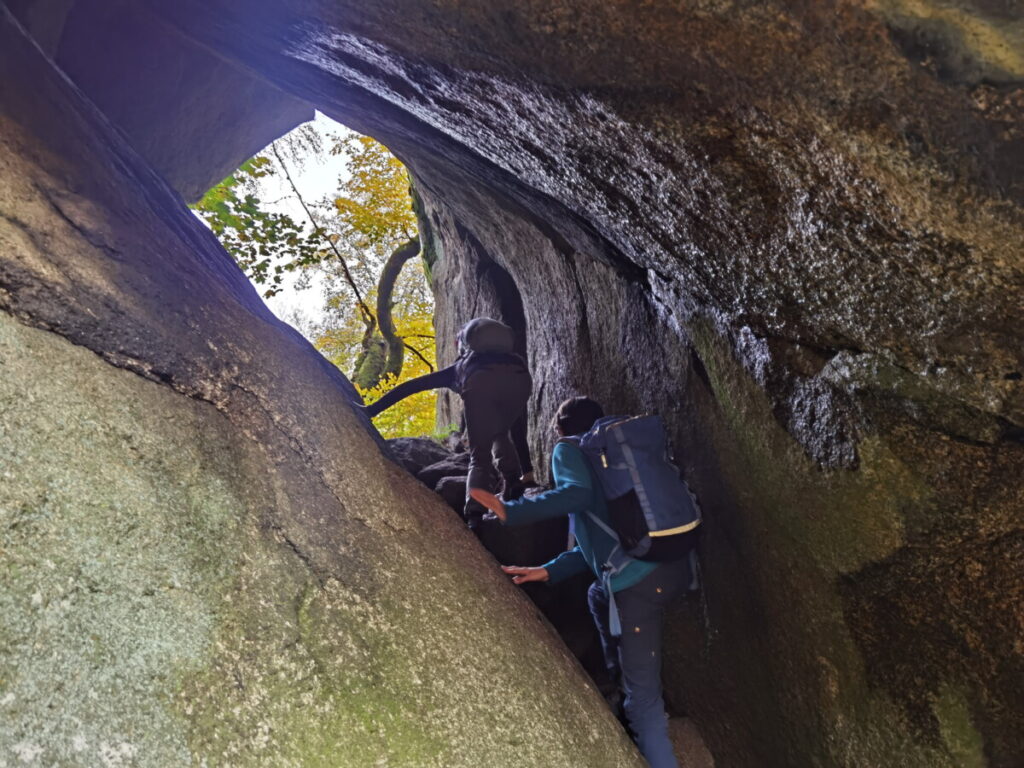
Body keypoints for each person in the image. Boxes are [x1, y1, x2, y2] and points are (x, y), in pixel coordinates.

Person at [470, 397, 686, 768]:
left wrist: (512, 510)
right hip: (676, 564)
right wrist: (549, 570)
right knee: (597, 594)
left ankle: (638, 716)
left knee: (644, 703)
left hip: (639, 585)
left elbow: (578, 494)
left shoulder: (568, 450)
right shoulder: (619, 457)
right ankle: (619, 681)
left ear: (558, 427)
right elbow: (604, 541)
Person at [362, 318, 532, 527]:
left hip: (480, 381)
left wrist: (372, 410)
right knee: (500, 431)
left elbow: (411, 387)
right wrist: (528, 468)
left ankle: (475, 514)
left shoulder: (462, 366)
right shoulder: (515, 360)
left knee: (480, 456)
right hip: (521, 380)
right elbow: (515, 427)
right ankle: (513, 480)